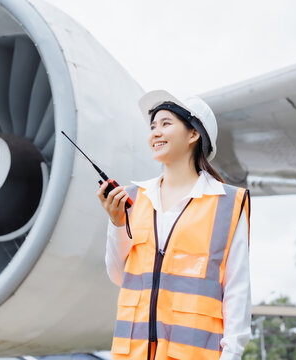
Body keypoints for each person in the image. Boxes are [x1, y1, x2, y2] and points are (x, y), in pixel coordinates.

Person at [97, 90, 251, 360]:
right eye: (153, 126)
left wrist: (232, 355)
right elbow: (119, 276)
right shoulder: (132, 199)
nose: (155, 133)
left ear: (193, 134)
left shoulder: (227, 204)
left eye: (166, 123)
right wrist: (117, 224)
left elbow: (237, 291)